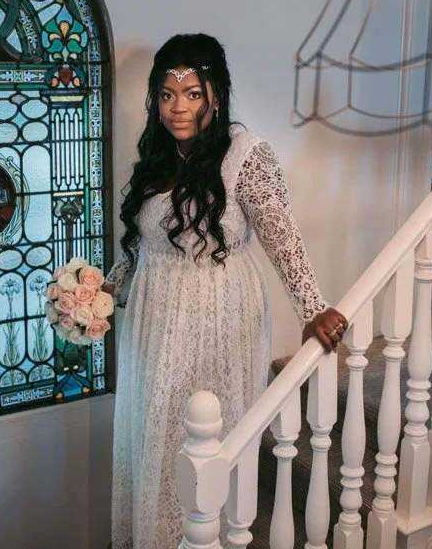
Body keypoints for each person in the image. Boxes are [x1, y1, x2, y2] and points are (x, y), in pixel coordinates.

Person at [103, 33, 348, 549]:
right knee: (154, 435)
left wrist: (313, 307)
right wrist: (101, 294)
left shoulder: (245, 155)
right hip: (153, 320)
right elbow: (145, 244)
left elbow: (283, 236)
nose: (178, 107)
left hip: (216, 316)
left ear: (216, 94)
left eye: (192, 94)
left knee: (200, 436)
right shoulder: (158, 154)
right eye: (167, 94)